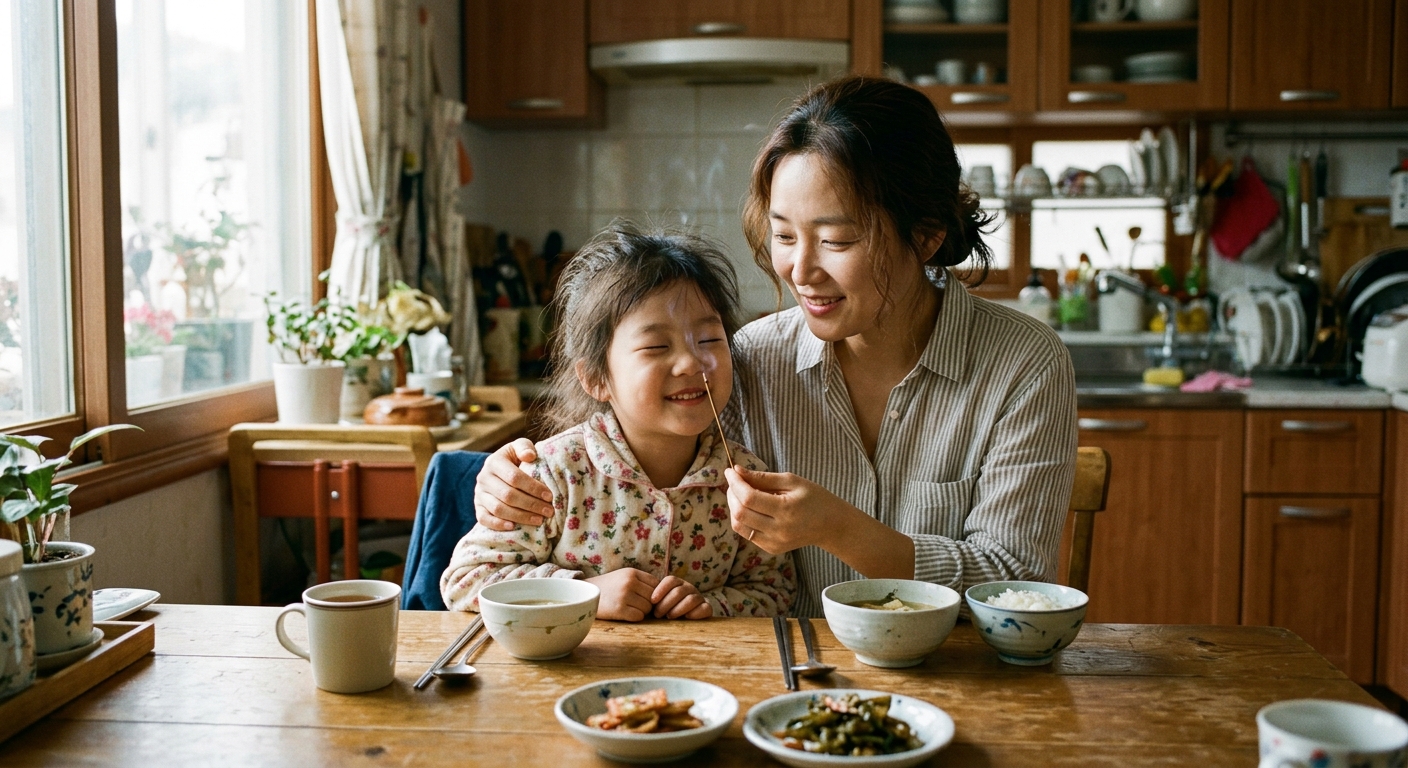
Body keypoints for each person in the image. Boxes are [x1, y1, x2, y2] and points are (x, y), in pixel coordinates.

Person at [471, 76, 1077, 618]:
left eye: (835, 240)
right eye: (784, 235)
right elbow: (641, 456)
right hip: (787, 676)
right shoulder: (751, 359)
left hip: (962, 675)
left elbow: (1016, 586)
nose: (799, 270)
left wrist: (840, 529)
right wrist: (507, 479)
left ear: (925, 236)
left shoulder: (1022, 364)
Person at [441, 225, 794, 621]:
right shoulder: (553, 476)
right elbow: (466, 580)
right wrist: (580, 593)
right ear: (595, 378)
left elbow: (775, 590)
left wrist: (712, 606)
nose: (692, 363)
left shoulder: (746, 481)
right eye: (657, 347)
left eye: (709, 340)